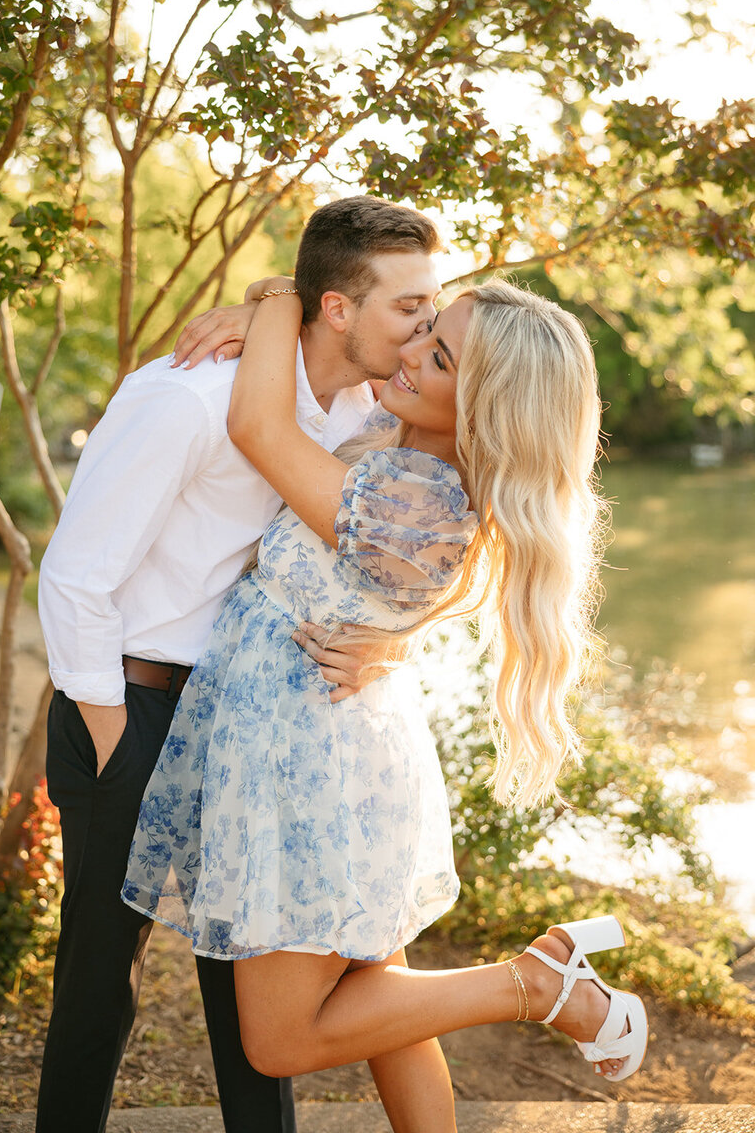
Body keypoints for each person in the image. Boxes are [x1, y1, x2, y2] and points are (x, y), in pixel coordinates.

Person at [122, 276, 647, 1133]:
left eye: (438, 357)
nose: (409, 352)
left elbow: (258, 427)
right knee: (388, 1003)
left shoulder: (416, 497)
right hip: (312, 744)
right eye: (428, 329)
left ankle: (537, 985)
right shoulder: (404, 443)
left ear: (484, 408)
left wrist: (277, 308)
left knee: (282, 1041)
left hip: (314, 766)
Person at [35, 196, 444, 1133]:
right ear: (336, 308)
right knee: (101, 981)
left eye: (432, 308)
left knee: (251, 984)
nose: (426, 326)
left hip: (245, 718)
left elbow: (411, 553)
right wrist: (111, 735)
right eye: (408, 307)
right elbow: (76, 575)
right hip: (131, 707)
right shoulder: (186, 397)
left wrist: (394, 641)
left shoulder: (360, 412)